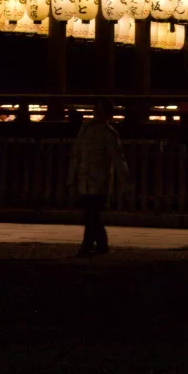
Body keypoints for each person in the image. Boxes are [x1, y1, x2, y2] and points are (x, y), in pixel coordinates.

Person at [68, 99, 130, 257]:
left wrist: (72, 174)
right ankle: (100, 244)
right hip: (95, 177)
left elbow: (78, 153)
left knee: (91, 214)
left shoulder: (89, 130)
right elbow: (117, 158)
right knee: (92, 214)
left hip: (93, 178)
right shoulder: (105, 132)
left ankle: (88, 245)